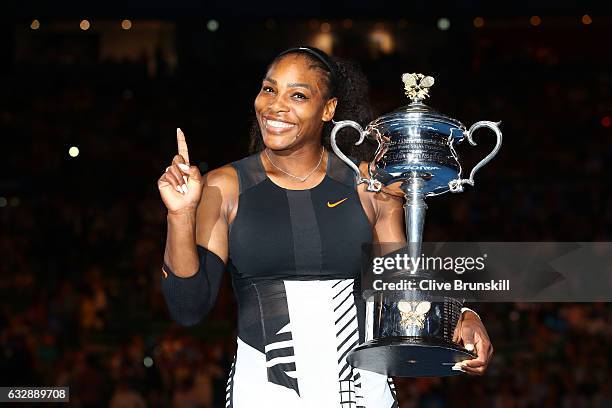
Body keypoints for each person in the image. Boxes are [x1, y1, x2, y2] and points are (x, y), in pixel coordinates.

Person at [157, 46, 493, 407]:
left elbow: (401, 283)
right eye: (269, 89)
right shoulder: (224, 187)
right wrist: (180, 215)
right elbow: (188, 308)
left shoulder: (369, 186)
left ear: (329, 109)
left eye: (298, 95)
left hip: (364, 394)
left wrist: (462, 315)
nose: (276, 106)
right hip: (265, 395)